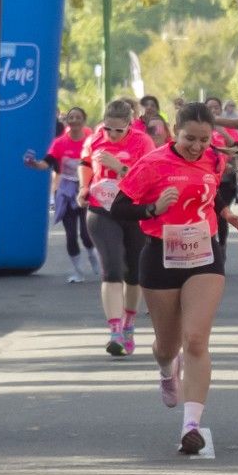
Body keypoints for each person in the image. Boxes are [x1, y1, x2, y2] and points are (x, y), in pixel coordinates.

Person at [107, 103, 236, 456]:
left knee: (195, 339)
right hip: (161, 255)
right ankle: (167, 369)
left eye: (204, 139)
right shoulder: (152, 164)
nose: (196, 146)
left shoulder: (214, 159)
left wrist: (229, 215)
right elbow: (118, 207)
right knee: (167, 345)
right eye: (189, 138)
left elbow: (213, 194)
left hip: (204, 254)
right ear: (173, 132)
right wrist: (153, 209)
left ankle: (191, 425)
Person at [80, 99, 154, 357]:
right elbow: (86, 164)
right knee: (111, 270)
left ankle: (129, 323)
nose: (111, 134)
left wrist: (119, 167)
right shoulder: (95, 139)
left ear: (130, 124)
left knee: (132, 272)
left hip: (132, 210)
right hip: (101, 210)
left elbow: (148, 177)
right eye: (107, 128)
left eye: (117, 130)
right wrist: (83, 187)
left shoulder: (143, 142)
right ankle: (114, 332)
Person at [23, 106, 100, 284]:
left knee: (87, 234)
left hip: (85, 189)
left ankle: (93, 257)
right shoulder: (60, 143)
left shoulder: (90, 141)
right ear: (67, 121)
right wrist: (34, 164)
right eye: (71, 117)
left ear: (84, 120)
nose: (74, 120)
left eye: (78, 117)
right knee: (71, 234)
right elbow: (46, 163)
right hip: (65, 190)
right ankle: (77, 271)